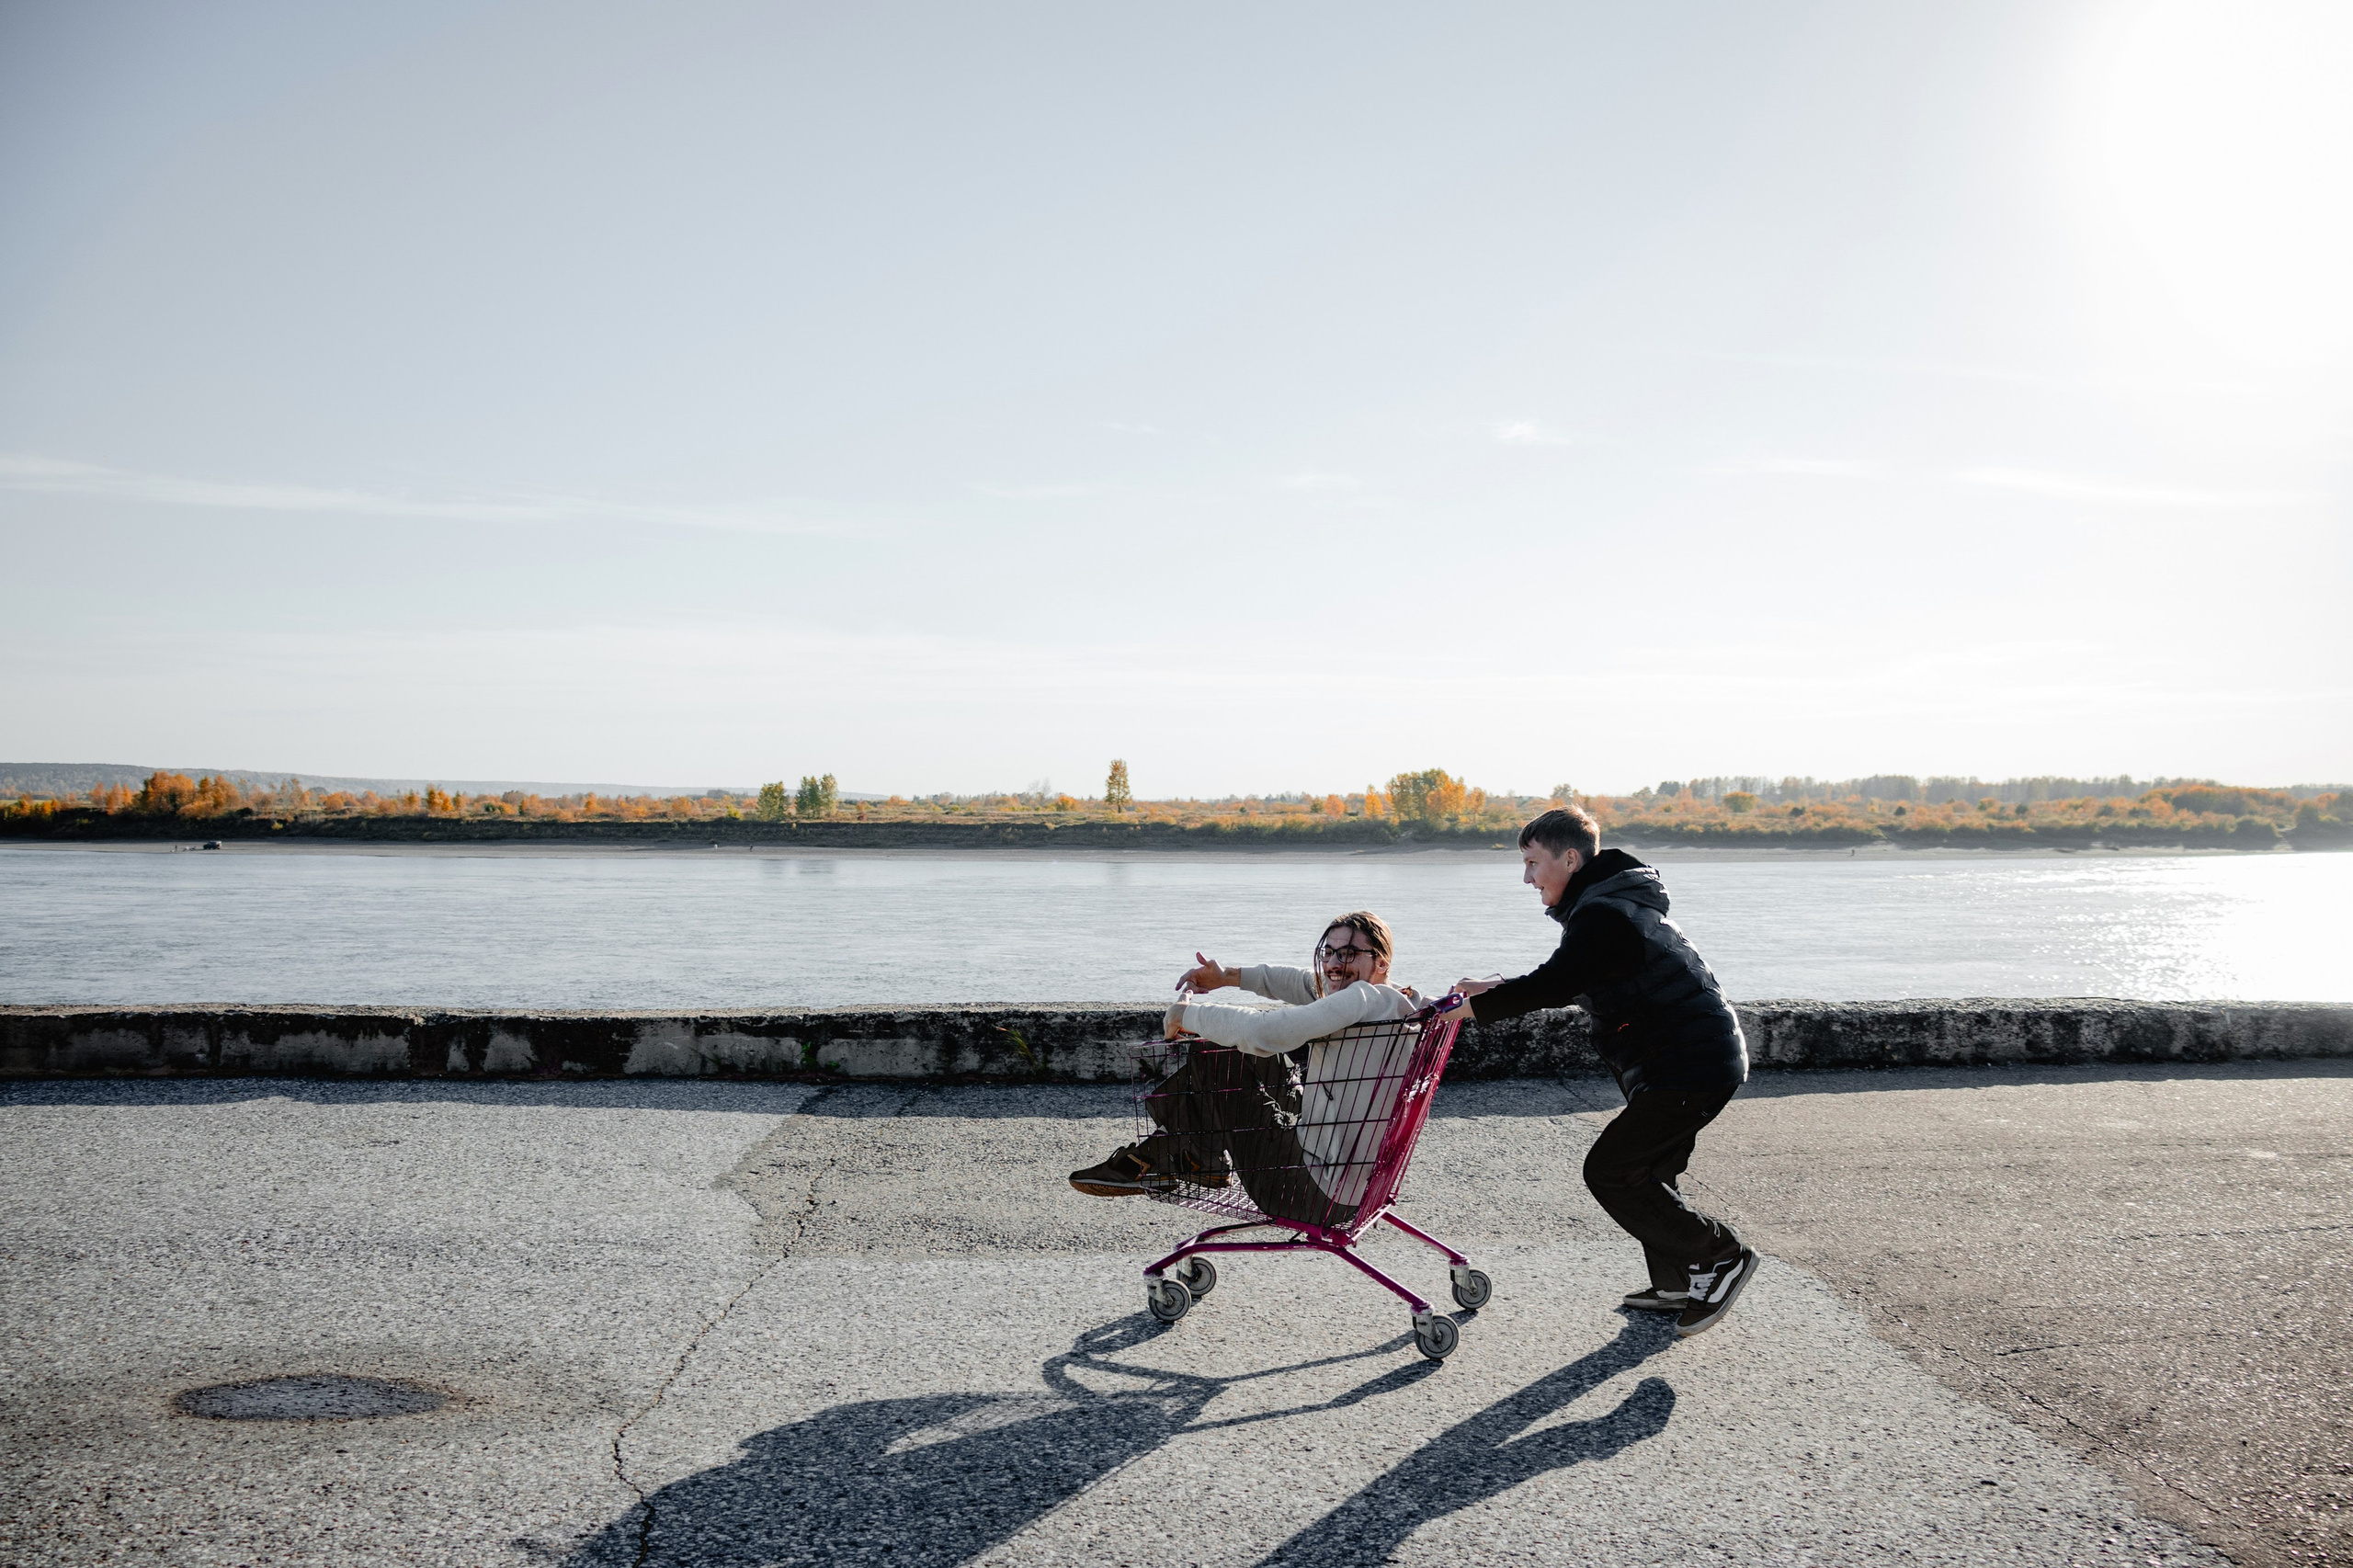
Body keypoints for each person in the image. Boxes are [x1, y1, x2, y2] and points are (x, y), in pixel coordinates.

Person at [1451, 806, 1756, 1339]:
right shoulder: (1606, 906)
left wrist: (1472, 1010)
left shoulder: (1605, 914)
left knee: (1611, 1171)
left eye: (1532, 863)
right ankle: (1677, 1283)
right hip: (1686, 1058)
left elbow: (1556, 983)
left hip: (1689, 1063)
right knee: (1649, 1173)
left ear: (1570, 859)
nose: (1527, 878)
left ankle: (1721, 1257)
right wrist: (1493, 989)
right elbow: (1573, 976)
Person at [1068, 913, 1430, 1229]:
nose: (1335, 962)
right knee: (1248, 1052)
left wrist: (1186, 1016)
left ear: (1380, 963)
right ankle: (1185, 1155)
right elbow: (1304, 982)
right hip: (1359, 1188)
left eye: (1349, 953)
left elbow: (1265, 1032)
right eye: (1329, 952)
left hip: (1305, 1192)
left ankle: (1176, 1156)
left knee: (1217, 1051)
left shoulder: (1361, 998)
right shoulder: (1402, 1001)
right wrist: (1228, 976)